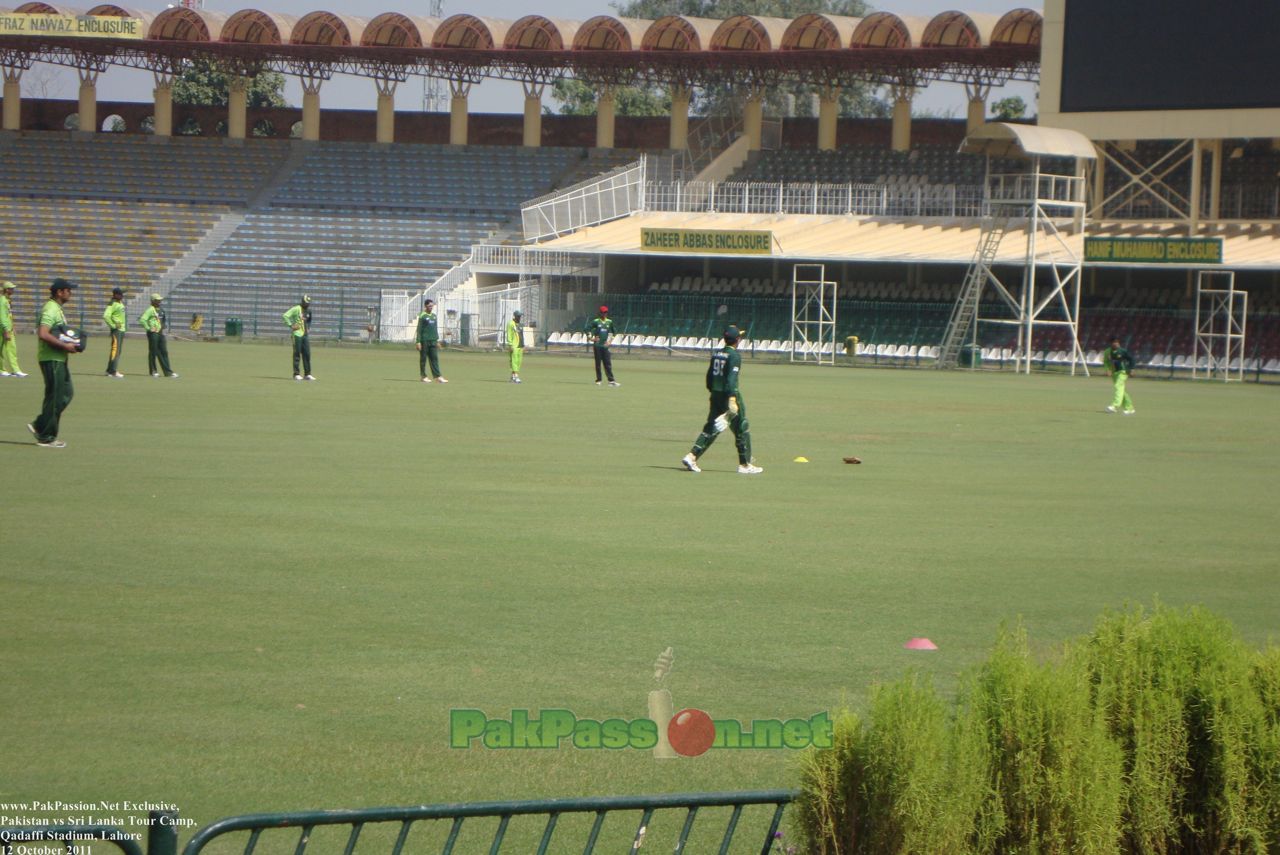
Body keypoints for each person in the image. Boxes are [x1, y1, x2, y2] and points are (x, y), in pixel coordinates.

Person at [681, 325, 762, 475]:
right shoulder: (734, 356)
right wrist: (731, 399)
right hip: (729, 395)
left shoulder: (717, 353)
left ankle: (692, 456)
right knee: (741, 427)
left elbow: (709, 377)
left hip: (716, 394)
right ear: (737, 339)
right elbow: (732, 379)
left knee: (712, 427)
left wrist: (713, 392)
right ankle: (744, 465)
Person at [27, 279, 80, 448]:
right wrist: (65, 345)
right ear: (59, 292)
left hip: (58, 358)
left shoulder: (56, 308)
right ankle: (46, 436)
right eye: (68, 290)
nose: (70, 293)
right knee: (55, 396)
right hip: (51, 358)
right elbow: (43, 333)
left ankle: (41, 424)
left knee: (66, 393)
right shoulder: (50, 308)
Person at [140, 293, 178, 378]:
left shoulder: (161, 310)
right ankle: (153, 371)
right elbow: (142, 320)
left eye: (160, 300)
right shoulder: (150, 310)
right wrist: (149, 328)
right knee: (153, 352)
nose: (159, 301)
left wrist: (164, 326)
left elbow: (163, 320)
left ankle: (168, 372)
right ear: (153, 301)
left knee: (164, 352)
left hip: (160, 333)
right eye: (157, 300)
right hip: (153, 334)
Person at [585, 304, 619, 386]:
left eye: (606, 312)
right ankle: (598, 380)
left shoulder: (609, 322)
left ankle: (611, 381)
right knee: (598, 363)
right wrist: (591, 338)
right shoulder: (596, 321)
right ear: (600, 313)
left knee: (607, 363)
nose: (605, 314)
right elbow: (586, 329)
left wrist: (610, 341)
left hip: (605, 346)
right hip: (597, 345)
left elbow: (614, 331)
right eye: (603, 312)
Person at [415, 298, 447, 383]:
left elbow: (435, 329)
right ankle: (423, 376)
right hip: (424, 340)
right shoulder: (422, 315)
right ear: (425, 306)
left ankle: (438, 376)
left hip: (433, 340)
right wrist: (418, 341)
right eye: (429, 306)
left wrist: (437, 340)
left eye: (432, 306)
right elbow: (419, 329)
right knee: (423, 359)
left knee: (434, 358)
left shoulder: (434, 316)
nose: (431, 307)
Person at [1102, 336, 1135, 415]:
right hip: (1114, 373)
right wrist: (1107, 369)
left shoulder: (1122, 351)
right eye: (1114, 342)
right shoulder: (1107, 352)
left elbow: (1131, 359)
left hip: (1122, 372)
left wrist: (1132, 369)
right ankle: (1129, 408)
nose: (1116, 344)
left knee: (1118, 386)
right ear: (1111, 343)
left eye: (1117, 342)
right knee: (1121, 391)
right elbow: (1106, 362)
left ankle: (1114, 406)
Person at [283, 295, 314, 381]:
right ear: (302, 302)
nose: (307, 304)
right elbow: (285, 315)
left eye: (308, 303)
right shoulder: (296, 308)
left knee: (307, 354)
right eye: (306, 303)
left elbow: (310, 320)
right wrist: (291, 325)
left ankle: (307, 374)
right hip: (297, 334)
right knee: (297, 354)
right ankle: (296, 374)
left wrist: (309, 327)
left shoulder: (309, 311)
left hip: (305, 335)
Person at [0, 280, 26, 378]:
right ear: (7, 289)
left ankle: (11, 370)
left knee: (11, 349)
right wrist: (6, 329)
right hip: (3, 329)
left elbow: (9, 315)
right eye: (11, 288)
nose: (13, 290)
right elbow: (2, 316)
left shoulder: (7, 300)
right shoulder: (2, 301)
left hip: (7, 328)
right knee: (5, 350)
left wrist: (12, 326)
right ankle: (9, 370)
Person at [103, 286, 126, 378]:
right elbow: (106, 316)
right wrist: (113, 325)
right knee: (115, 350)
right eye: (120, 294)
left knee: (117, 351)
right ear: (116, 295)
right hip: (117, 330)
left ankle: (109, 370)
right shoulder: (112, 303)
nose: (122, 295)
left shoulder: (118, 302)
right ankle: (112, 371)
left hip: (121, 330)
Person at [506, 308, 524, 383]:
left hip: (520, 346)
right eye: (518, 316)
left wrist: (523, 345)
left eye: (520, 316)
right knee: (514, 361)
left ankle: (513, 376)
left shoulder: (520, 324)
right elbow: (509, 334)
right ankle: (516, 376)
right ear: (515, 316)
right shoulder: (511, 324)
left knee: (518, 362)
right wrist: (510, 345)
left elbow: (521, 335)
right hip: (514, 346)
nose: (520, 318)